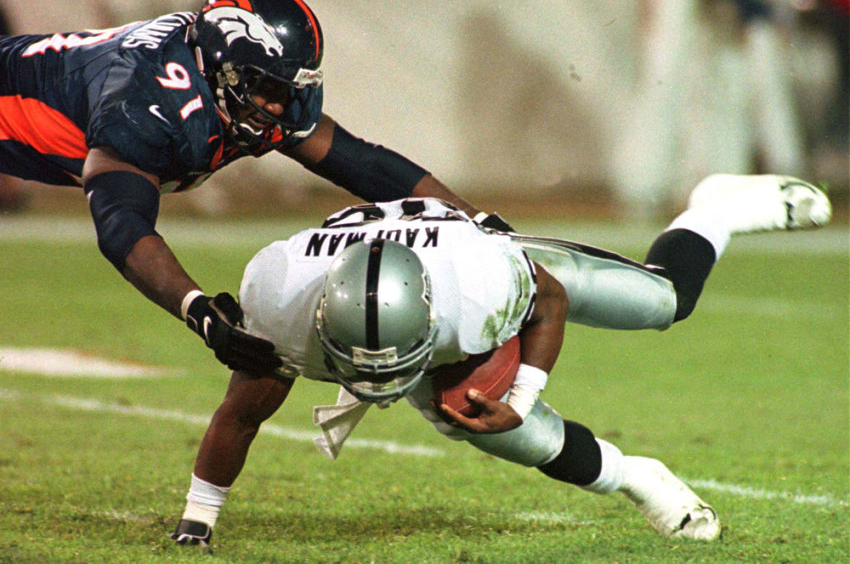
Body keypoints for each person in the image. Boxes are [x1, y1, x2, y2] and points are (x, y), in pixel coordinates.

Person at [169, 173, 831, 551]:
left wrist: (524, 388)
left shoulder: (479, 283)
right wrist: (196, 522)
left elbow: (550, 298)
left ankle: (718, 205)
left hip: (491, 258)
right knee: (486, 422)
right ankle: (637, 477)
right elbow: (242, 412)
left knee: (664, 299)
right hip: (393, 300)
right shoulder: (279, 301)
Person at [0, 0, 499, 375]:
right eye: (267, 88)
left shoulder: (228, 85)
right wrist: (197, 310)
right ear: (223, 70)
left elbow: (363, 163)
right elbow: (120, 224)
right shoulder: (146, 101)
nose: (281, 106)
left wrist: (478, 223)